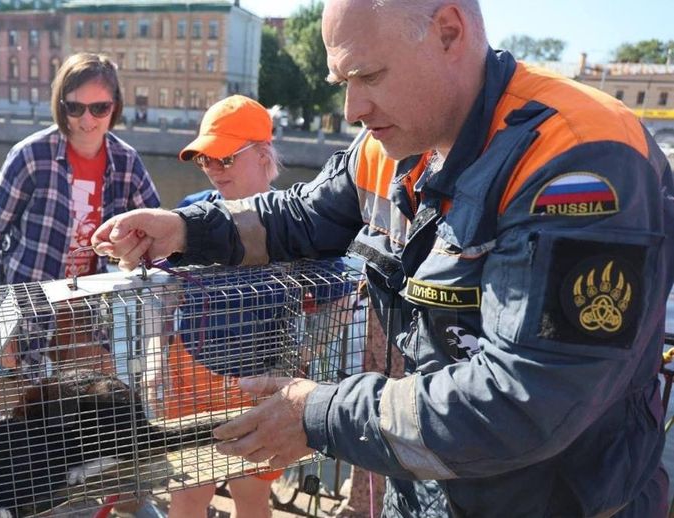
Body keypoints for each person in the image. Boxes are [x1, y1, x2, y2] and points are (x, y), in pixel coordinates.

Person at [90, 0, 674, 516]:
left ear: (449, 31)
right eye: (342, 79)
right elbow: (299, 217)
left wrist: (318, 415)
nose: (351, 108)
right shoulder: (393, 143)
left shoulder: (581, 161)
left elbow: (527, 399)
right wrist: (185, 229)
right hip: (425, 486)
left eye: (368, 75)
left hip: (552, 497)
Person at [0, 52, 160, 371]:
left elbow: (159, 232)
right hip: (27, 308)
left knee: (93, 404)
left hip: (85, 305)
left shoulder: (126, 161)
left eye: (99, 108)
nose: (87, 121)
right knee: (28, 411)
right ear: (61, 105)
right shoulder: (31, 156)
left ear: (114, 106)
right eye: (75, 108)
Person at [164, 95, 284, 518]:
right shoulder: (192, 212)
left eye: (225, 159)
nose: (213, 170)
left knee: (251, 497)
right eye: (205, 161)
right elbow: (167, 291)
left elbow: (324, 298)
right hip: (191, 373)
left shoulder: (297, 222)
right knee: (189, 497)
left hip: (258, 381)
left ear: (263, 154)